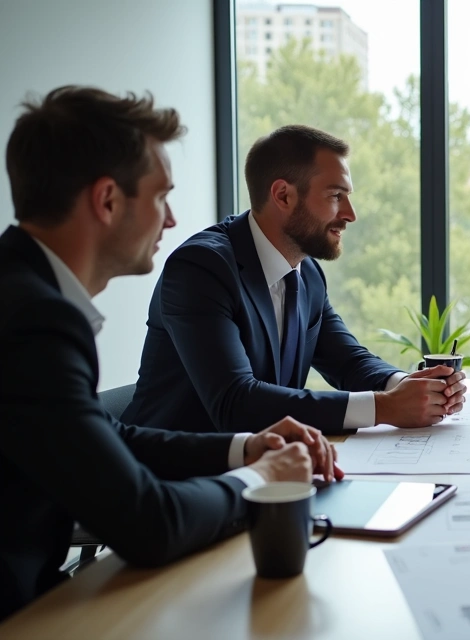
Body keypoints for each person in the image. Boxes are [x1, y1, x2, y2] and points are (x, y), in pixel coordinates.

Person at [0, 86, 340, 621]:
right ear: (107, 200)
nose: (173, 219)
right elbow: (148, 524)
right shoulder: (33, 321)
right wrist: (264, 478)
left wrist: (246, 448)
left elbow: (109, 437)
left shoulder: (24, 295)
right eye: (161, 196)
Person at [122, 125, 466, 435]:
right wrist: (384, 407)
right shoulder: (201, 268)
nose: (350, 214)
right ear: (283, 195)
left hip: (263, 470)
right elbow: (235, 403)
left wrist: (411, 386)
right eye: (335, 196)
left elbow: (348, 361)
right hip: (170, 479)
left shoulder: (307, 273)